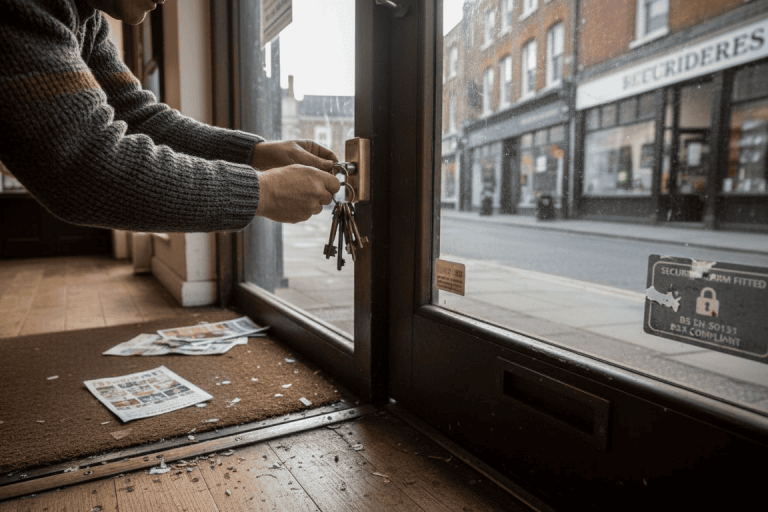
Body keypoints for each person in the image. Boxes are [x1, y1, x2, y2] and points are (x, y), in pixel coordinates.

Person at [0, 0, 341, 232]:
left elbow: (140, 117)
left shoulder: (87, 20)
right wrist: (264, 193)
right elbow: (83, 166)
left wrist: (257, 153)